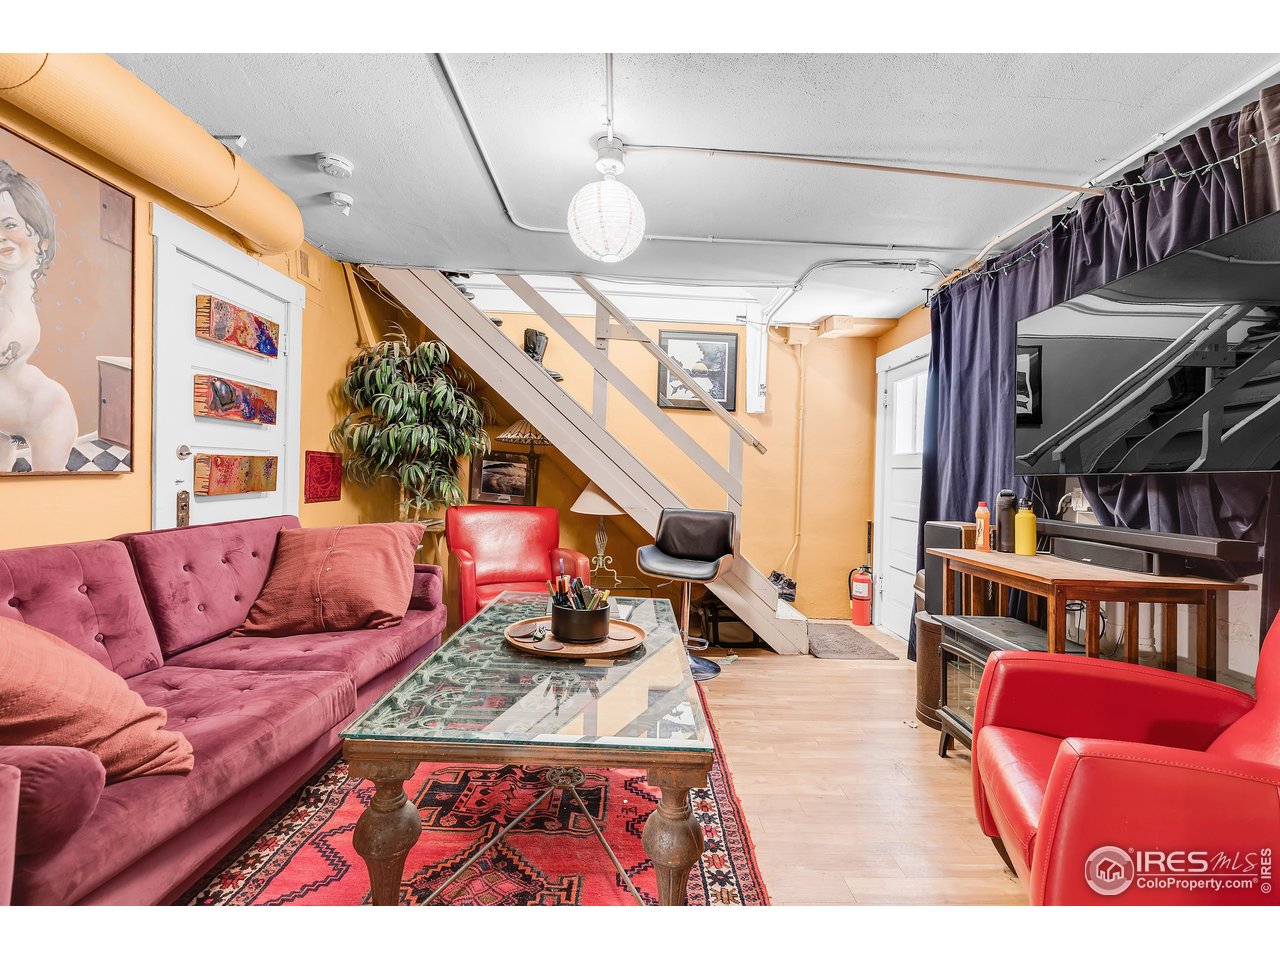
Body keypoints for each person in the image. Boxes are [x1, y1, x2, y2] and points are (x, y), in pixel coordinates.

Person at [0, 159, 77, 472]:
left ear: (41, 243)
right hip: (8, 418)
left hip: (44, 413)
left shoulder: (17, 307)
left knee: (44, 500)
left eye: (10, 225)